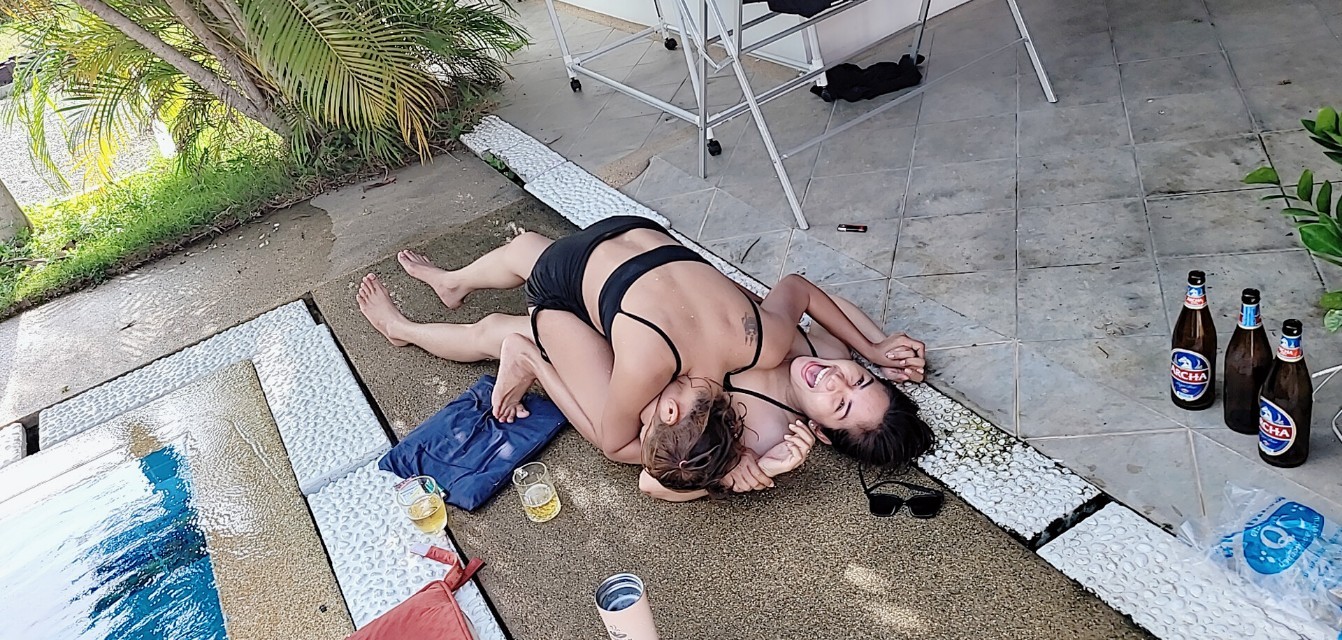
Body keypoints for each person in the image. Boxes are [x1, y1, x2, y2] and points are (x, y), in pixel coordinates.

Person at [357, 234, 933, 501]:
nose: (835, 379)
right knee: (529, 251)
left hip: (640, 358)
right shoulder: (815, 354)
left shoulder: (769, 431)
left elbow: (654, 475)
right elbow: (815, 298)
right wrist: (876, 347)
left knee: (501, 327)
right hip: (652, 330)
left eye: (840, 404)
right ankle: (455, 282)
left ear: (823, 435)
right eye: (858, 379)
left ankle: (405, 330)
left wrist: (740, 471)